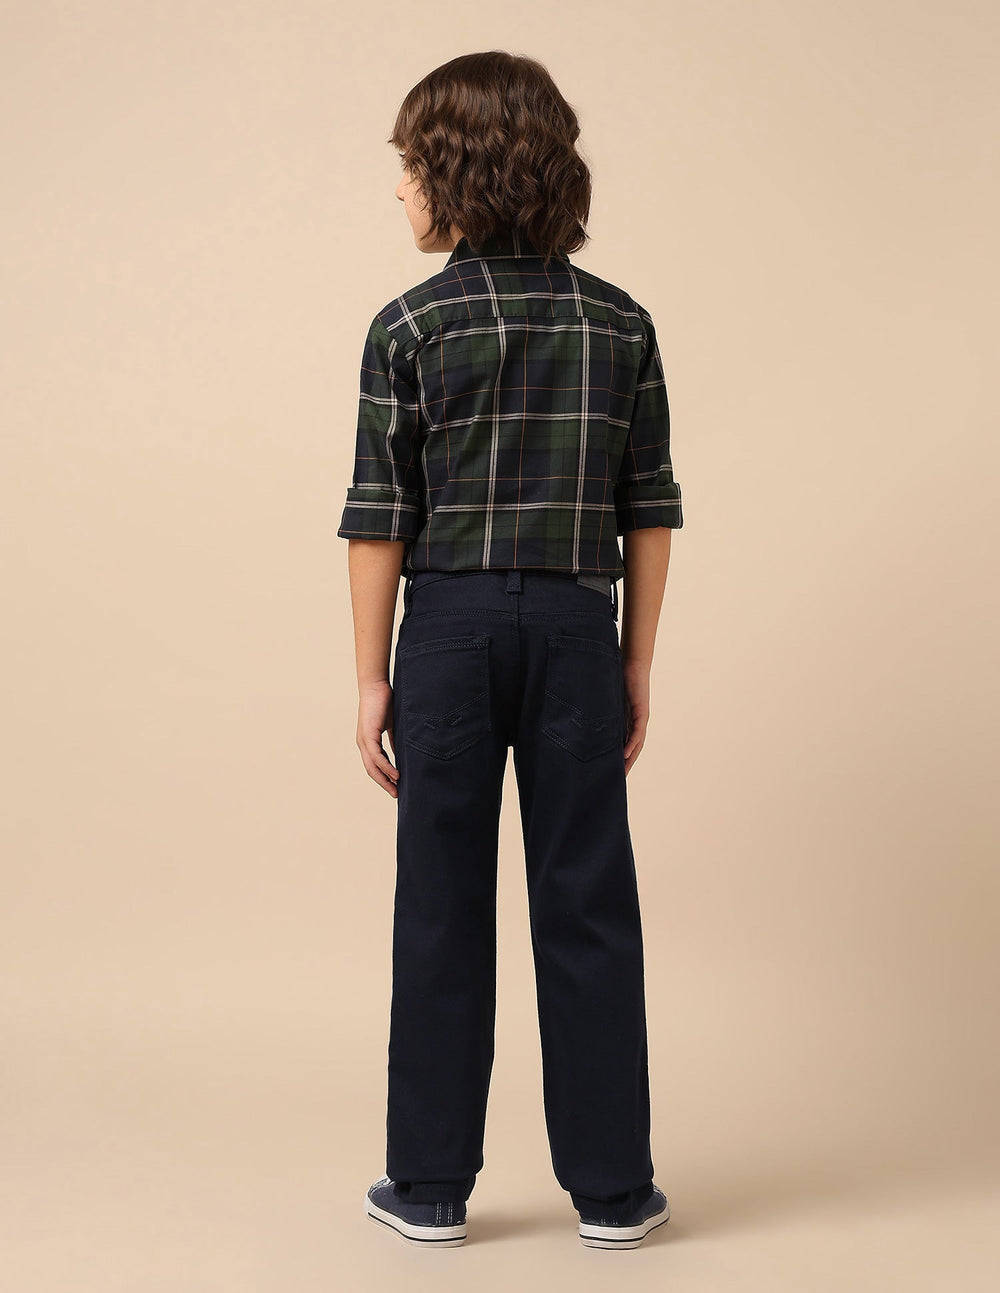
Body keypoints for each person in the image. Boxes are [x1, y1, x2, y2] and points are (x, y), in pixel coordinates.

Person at [338, 50, 682, 1250]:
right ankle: (614, 1193)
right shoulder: (621, 323)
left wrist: (371, 675)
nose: (397, 188)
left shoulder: (408, 326)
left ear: (457, 173)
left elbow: (380, 515)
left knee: (440, 901)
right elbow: (648, 507)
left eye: (408, 165)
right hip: (579, 628)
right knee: (587, 898)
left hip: (447, 631)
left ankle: (430, 1186)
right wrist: (634, 660)